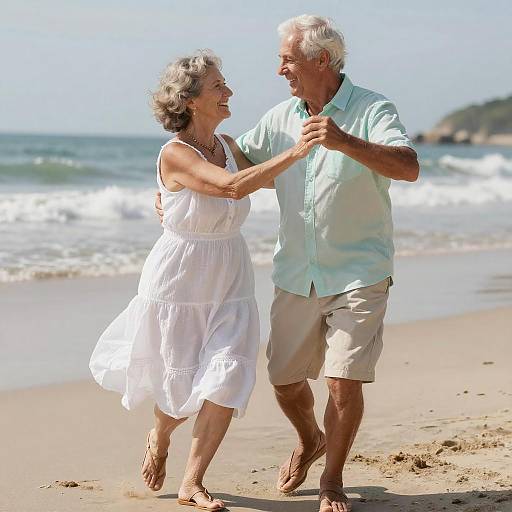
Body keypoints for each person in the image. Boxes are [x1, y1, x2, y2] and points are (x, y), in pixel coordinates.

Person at [158, 15, 419, 512]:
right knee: (283, 380)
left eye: (287, 60)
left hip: (361, 270)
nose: (280, 70)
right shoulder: (281, 118)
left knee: (344, 380)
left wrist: (345, 141)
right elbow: (231, 160)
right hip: (297, 272)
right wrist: (173, 189)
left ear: (321, 60)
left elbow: (408, 166)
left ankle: (332, 482)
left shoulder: (372, 109)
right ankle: (309, 438)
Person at [90, 50, 316, 511]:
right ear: (191, 100)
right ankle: (160, 433)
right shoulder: (175, 154)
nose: (229, 91)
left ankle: (192, 482)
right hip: (179, 279)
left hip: (230, 273)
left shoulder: (231, 146)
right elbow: (233, 187)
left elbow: (263, 177)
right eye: (218, 86)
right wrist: (299, 149)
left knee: (228, 374)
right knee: (179, 386)